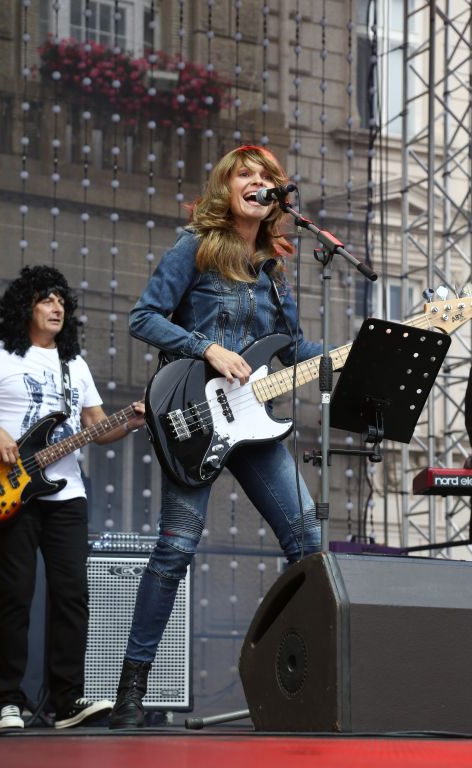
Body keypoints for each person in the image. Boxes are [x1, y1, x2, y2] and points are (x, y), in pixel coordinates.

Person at [108, 144, 324, 729]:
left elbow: (294, 351)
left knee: (308, 538)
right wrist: (206, 347)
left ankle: (304, 680)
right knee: (176, 548)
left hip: (254, 421)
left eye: (266, 176)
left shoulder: (273, 273)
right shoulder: (196, 247)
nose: (257, 182)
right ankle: (130, 691)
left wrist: (356, 351)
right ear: (226, 188)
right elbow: (144, 317)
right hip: (193, 420)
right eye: (245, 174)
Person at [0, 265, 144, 730]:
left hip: (67, 495)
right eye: (47, 299)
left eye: (62, 300)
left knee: (72, 595)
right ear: (26, 306)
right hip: (10, 493)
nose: (57, 306)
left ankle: (67, 700)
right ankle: (7, 700)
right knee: (15, 595)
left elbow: (96, 427)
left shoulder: (73, 365)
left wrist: (130, 421)